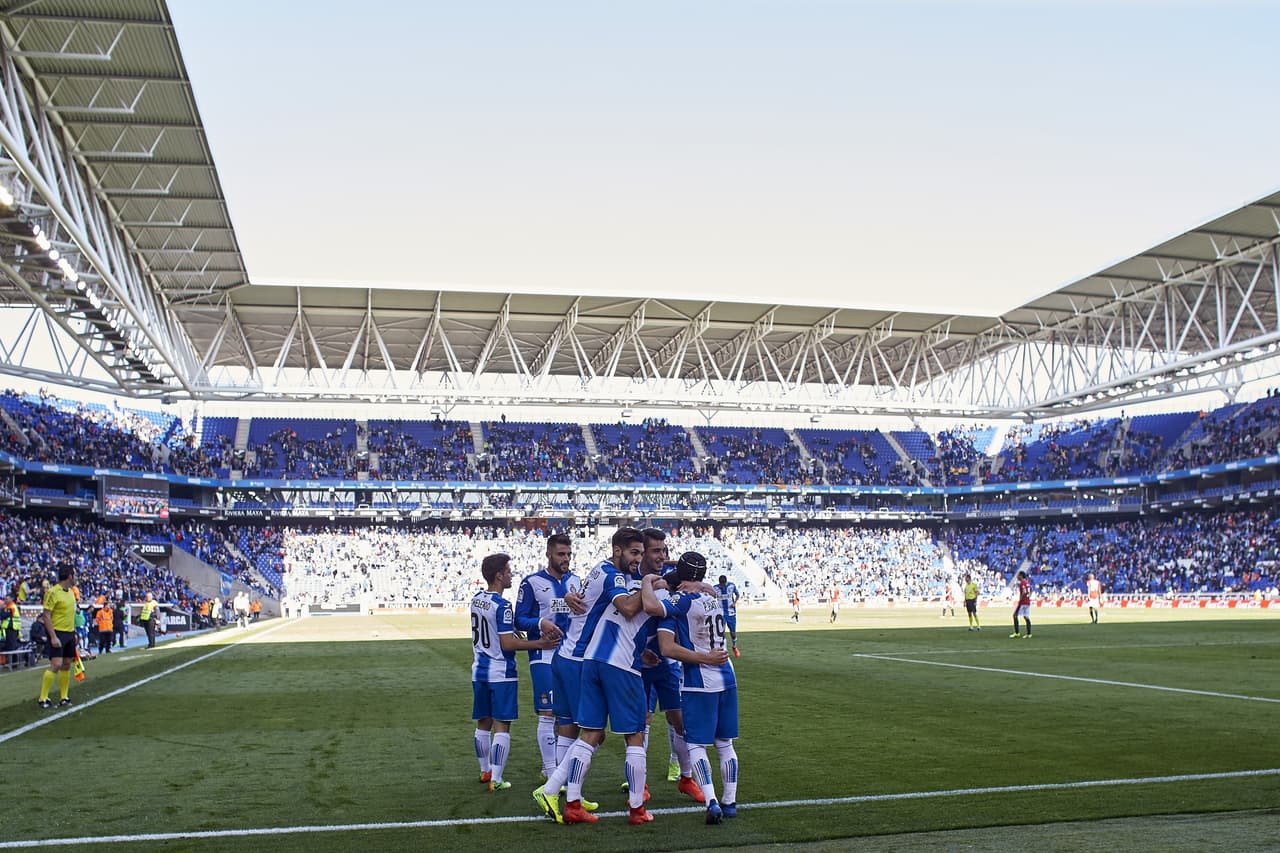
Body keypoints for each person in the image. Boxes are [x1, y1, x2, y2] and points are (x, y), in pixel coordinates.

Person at [534, 527, 651, 826]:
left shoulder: (599, 568)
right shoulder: (613, 576)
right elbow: (626, 607)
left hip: (571, 654)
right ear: (617, 550)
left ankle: (567, 792)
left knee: (582, 729)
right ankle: (555, 788)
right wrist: (652, 584)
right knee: (587, 731)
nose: (638, 558)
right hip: (581, 656)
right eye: (634, 552)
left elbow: (582, 604)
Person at [646, 551, 740, 825]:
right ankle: (730, 801)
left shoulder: (681, 601)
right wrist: (698, 584)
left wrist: (651, 583)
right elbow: (700, 588)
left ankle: (711, 800)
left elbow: (658, 618)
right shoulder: (714, 596)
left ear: (683, 580)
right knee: (725, 744)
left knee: (696, 744)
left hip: (700, 680)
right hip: (728, 676)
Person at [471, 552, 558, 792]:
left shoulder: (476, 599)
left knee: (482, 723)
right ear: (499, 575)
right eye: (508, 571)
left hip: (479, 670)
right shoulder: (503, 606)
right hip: (501, 672)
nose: (511, 575)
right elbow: (507, 644)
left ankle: (484, 770)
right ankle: (496, 779)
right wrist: (538, 644)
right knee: (502, 725)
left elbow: (493, 632)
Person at [634, 529, 701, 802]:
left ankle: (686, 778)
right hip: (638, 663)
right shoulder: (631, 580)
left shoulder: (670, 580)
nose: (662, 556)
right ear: (643, 553)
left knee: (679, 719)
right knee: (643, 723)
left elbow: (694, 580)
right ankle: (642, 784)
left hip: (668, 663)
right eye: (655, 551)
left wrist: (703, 586)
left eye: (664, 550)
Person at [513, 533, 576, 781]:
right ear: (549, 553)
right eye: (561, 554)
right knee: (547, 713)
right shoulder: (532, 583)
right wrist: (540, 623)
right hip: (543, 654)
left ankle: (559, 769)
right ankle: (551, 772)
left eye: (569, 554)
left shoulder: (576, 582)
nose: (566, 559)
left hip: (570, 655)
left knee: (568, 715)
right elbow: (519, 618)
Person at [36, 564, 78, 708]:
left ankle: (64, 697)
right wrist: (53, 636)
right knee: (56, 664)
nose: (76, 578)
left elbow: (70, 614)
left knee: (66, 665)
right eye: (74, 575)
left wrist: (74, 632)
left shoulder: (71, 592)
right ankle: (43, 698)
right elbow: (46, 616)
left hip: (69, 633)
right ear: (70, 576)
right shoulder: (53, 592)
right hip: (58, 632)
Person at [715, 574, 740, 657]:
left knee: (733, 633)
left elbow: (738, 595)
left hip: (731, 613)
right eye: (721, 584)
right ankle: (724, 649)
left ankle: (734, 646)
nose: (722, 586)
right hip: (721, 613)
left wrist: (734, 603)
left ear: (726, 582)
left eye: (723, 584)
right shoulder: (715, 588)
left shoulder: (731, 586)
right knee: (721, 632)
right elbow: (711, 597)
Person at [1010, 570, 1032, 638]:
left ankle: (1017, 633)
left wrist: (1021, 599)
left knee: (1015, 615)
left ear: (1021, 576)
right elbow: (1030, 590)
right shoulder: (1027, 583)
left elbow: (1024, 591)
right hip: (1027, 602)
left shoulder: (1022, 583)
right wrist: (1028, 597)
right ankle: (1029, 634)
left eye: (1018, 575)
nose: (1017, 576)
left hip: (1023, 602)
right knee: (1026, 617)